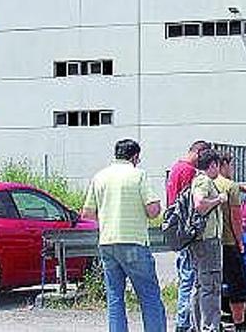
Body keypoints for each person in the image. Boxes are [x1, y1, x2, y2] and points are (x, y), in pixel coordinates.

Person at [81, 139, 166, 332]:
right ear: (135, 157)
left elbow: (87, 213)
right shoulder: (138, 175)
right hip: (133, 242)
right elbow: (152, 210)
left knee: (115, 297)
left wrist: (107, 215)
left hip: (107, 242)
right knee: (149, 295)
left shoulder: (100, 177)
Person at [166, 140, 210, 332]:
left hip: (176, 229)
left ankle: (184, 321)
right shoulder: (189, 172)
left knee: (184, 275)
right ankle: (185, 322)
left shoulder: (176, 168)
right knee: (189, 278)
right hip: (186, 231)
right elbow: (191, 204)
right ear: (199, 152)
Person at [189, 148, 226, 332]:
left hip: (200, 241)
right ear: (213, 165)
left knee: (200, 283)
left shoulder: (197, 179)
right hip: (208, 240)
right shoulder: (204, 181)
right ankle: (210, 326)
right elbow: (200, 205)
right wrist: (218, 199)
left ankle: (198, 324)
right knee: (211, 284)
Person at [215, 152, 246, 332]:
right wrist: (240, 241)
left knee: (211, 284)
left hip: (211, 243)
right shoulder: (230, 187)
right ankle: (240, 323)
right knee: (237, 284)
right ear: (223, 165)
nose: (233, 169)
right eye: (231, 165)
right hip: (229, 242)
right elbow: (236, 217)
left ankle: (212, 321)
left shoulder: (208, 183)